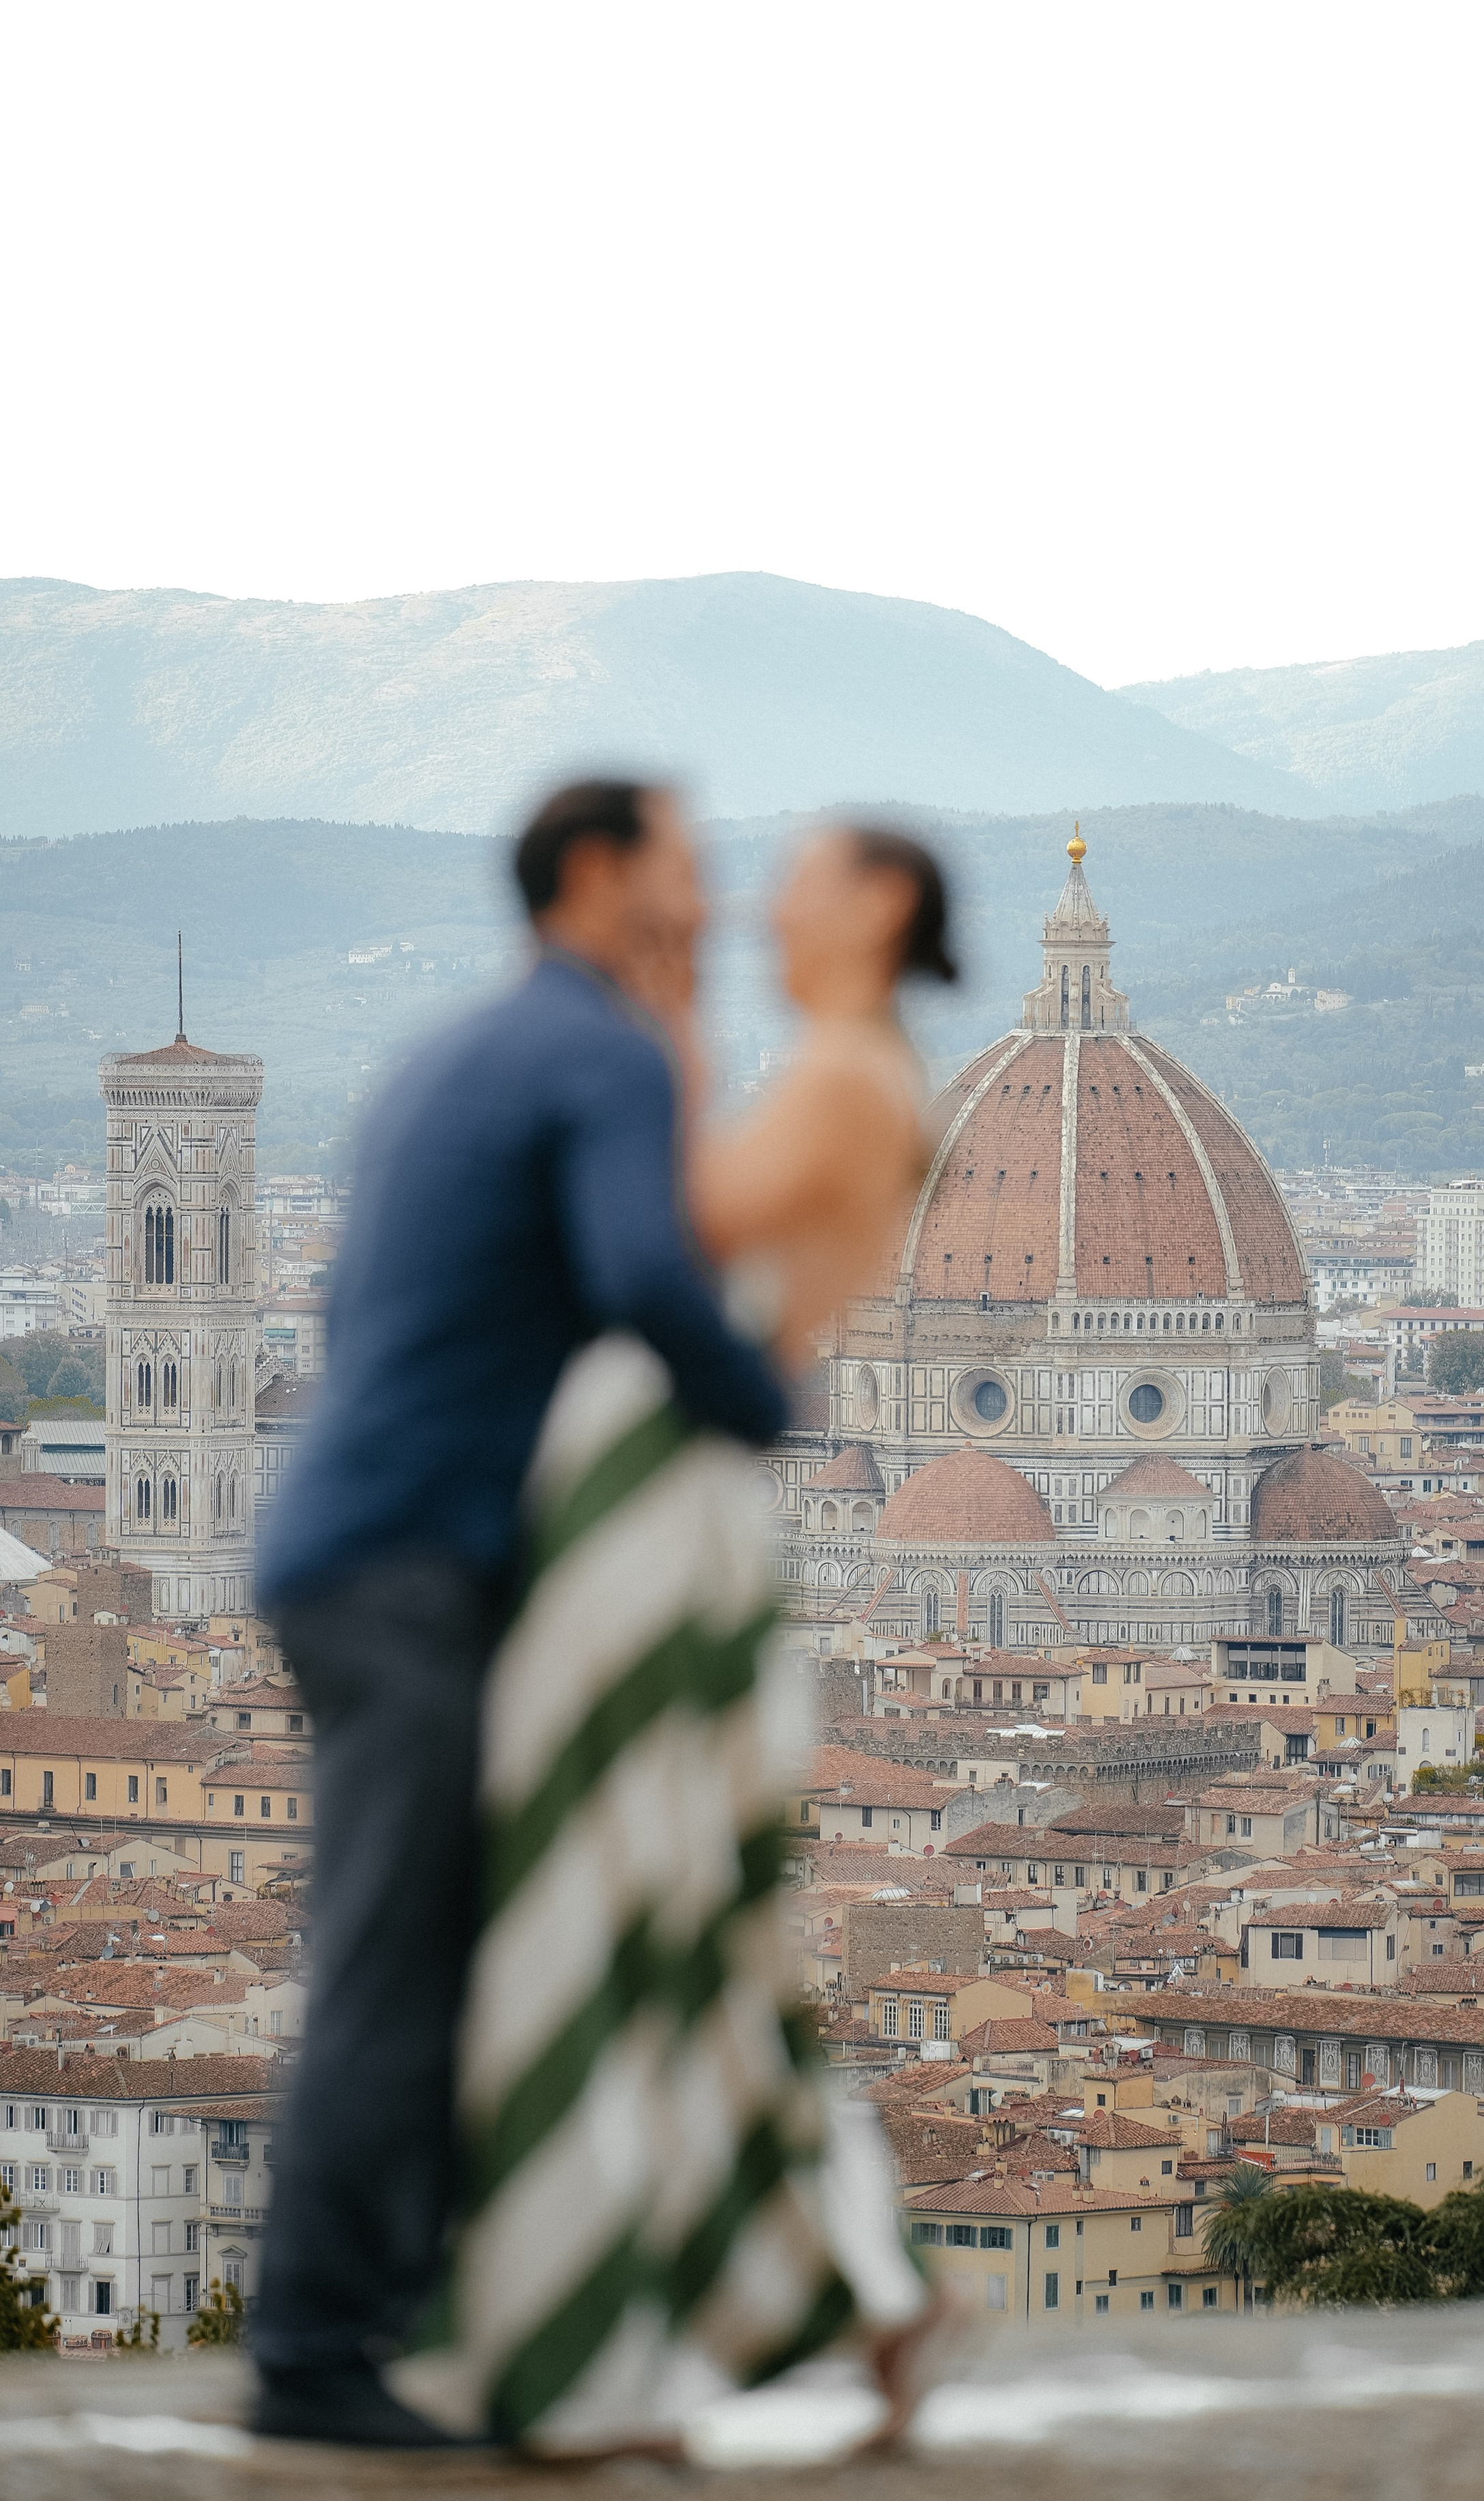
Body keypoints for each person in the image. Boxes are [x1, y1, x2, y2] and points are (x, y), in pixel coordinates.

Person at [250, 779, 788, 2449]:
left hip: (354, 1540)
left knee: (434, 1943)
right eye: (688, 870)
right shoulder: (600, 1049)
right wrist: (754, 1397)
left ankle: (400, 2322)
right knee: (397, 1963)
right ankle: (319, 2352)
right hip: (408, 1562)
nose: (706, 903)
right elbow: (641, 1270)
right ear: (601, 874)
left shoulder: (446, 1052)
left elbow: (353, 1304)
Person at [437, 823, 956, 2456]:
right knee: (669, 1920)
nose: (757, 898)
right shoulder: (837, 1066)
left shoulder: (843, 1075)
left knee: (621, 1900)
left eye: (797, 875)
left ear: (879, 906)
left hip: (661, 1510)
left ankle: (632, 2328)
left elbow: (644, 1242)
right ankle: (836, 2284)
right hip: (661, 1495)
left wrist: (641, 1010)